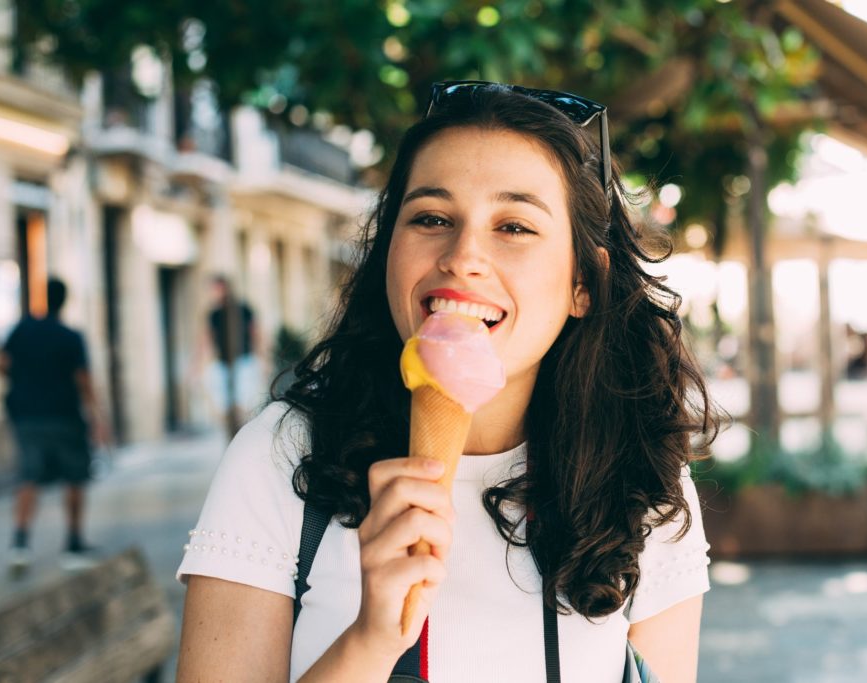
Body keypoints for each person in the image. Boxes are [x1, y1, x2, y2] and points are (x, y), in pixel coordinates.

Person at [176, 82, 717, 682]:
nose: (462, 256)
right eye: (431, 217)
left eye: (513, 226)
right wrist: (372, 639)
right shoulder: (281, 457)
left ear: (583, 284)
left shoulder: (643, 481)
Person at [0, 277, 105, 574]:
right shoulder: (71, 337)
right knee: (74, 478)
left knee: (28, 477)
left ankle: (19, 544)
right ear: (65, 300)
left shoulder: (21, 330)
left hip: (27, 418)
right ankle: (73, 543)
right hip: (65, 417)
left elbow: (1, 364)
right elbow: (84, 381)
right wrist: (98, 419)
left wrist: (22, 379)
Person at [197, 275, 264, 436]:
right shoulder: (213, 314)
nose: (213, 293)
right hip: (223, 363)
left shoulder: (243, 309)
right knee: (224, 404)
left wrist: (262, 358)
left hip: (244, 361)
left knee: (244, 405)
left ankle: (243, 435)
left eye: (216, 289)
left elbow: (256, 334)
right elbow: (207, 339)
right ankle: (232, 434)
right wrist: (199, 364)